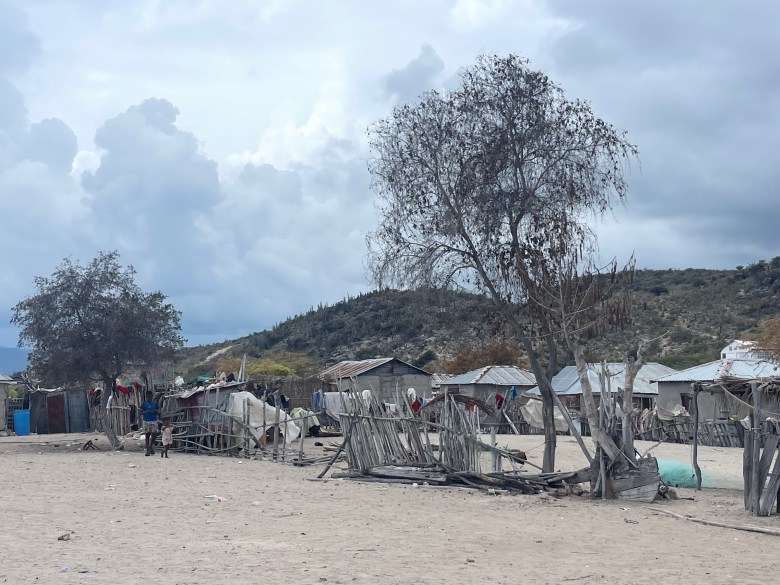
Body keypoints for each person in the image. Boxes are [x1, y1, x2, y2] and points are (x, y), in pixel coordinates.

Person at [140, 391, 159, 456]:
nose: (150, 398)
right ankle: (148, 451)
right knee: (147, 435)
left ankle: (150, 447)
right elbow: (140, 412)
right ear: (147, 396)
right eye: (149, 397)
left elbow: (158, 412)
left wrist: (155, 411)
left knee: (154, 434)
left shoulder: (155, 403)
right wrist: (145, 412)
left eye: (151, 396)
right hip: (146, 421)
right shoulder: (144, 404)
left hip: (154, 420)